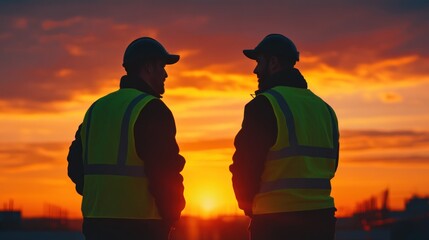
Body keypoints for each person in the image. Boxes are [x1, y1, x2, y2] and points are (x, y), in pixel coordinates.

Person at [67, 37, 186, 240]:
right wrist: (171, 215)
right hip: (141, 227)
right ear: (148, 68)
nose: (165, 74)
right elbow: (165, 172)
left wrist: (100, 199)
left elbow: (75, 167)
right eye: (162, 66)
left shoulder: (96, 109)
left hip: (96, 225)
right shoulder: (151, 109)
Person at [230, 34, 339, 240]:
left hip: (276, 221)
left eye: (259, 62)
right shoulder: (325, 109)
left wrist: (247, 205)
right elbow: (332, 165)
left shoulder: (264, 105)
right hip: (321, 219)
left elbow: (245, 166)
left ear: (273, 62)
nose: (255, 70)